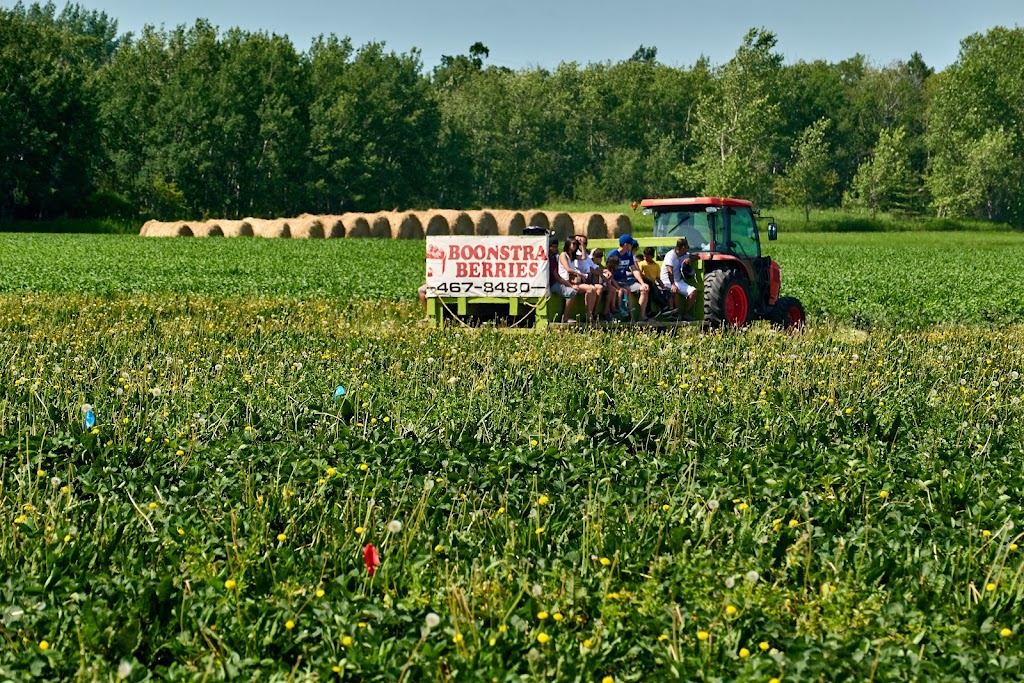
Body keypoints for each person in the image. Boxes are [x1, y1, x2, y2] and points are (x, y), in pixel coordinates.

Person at [557, 238, 601, 322]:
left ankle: (589, 314)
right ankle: (565, 317)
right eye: (573, 244)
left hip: (574, 280)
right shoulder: (563, 255)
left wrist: (582, 245)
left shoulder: (573, 255)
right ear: (568, 244)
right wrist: (580, 274)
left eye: (576, 244)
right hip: (566, 281)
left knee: (592, 289)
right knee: (585, 289)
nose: (575, 246)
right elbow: (568, 269)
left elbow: (584, 257)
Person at [608, 233, 649, 321]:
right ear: (626, 245)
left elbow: (634, 269)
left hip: (625, 280)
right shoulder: (613, 254)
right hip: (615, 281)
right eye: (631, 244)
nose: (632, 245)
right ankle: (629, 316)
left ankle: (642, 316)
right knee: (627, 290)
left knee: (644, 290)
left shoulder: (629, 254)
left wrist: (642, 283)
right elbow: (608, 271)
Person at [661, 238, 698, 318]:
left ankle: (684, 313)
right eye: (687, 247)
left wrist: (690, 259)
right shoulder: (670, 255)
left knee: (693, 292)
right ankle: (676, 313)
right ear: (684, 247)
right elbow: (669, 272)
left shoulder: (684, 255)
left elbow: (697, 256)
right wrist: (673, 284)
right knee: (675, 290)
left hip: (678, 280)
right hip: (667, 280)